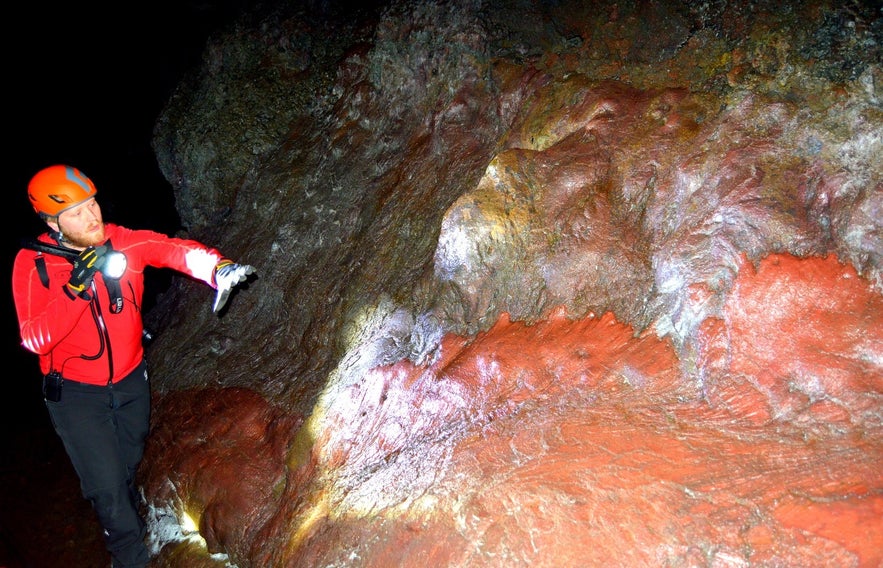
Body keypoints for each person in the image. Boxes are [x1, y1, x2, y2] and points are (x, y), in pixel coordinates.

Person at [11, 164, 256, 567]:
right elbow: (35, 338)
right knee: (106, 487)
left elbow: (170, 249)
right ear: (52, 222)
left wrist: (217, 268)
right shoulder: (32, 264)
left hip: (129, 380)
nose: (92, 217)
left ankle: (121, 505)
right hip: (75, 395)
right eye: (76, 213)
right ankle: (127, 555)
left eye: (91, 204)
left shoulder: (121, 241)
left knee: (127, 459)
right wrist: (76, 289)